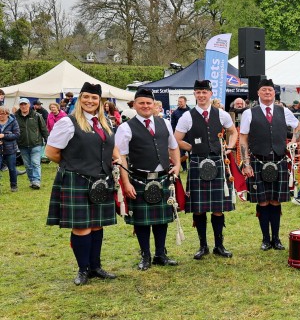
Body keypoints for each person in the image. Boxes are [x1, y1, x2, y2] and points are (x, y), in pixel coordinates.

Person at [45, 82, 121, 285]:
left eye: (94, 98)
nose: (90, 101)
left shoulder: (104, 123)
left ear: (100, 101)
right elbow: (51, 152)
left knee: (97, 225)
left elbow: (111, 148)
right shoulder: (68, 122)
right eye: (86, 97)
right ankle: (83, 269)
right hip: (76, 179)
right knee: (81, 228)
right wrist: (73, 165)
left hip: (101, 181)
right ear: (80, 99)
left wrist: (118, 161)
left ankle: (96, 267)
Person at [114, 88, 181, 270]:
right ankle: (145, 256)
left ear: (154, 105)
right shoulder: (125, 128)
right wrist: (126, 183)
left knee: (162, 219)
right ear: (134, 105)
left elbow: (173, 146)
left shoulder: (164, 123)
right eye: (141, 103)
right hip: (139, 178)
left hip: (162, 177)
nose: (145, 106)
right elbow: (121, 158)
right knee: (141, 221)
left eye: (148, 103)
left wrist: (177, 165)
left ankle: (161, 254)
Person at [174, 80, 238, 260]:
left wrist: (230, 148)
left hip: (218, 161)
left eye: (205, 92)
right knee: (199, 209)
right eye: (198, 92)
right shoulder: (187, 116)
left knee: (218, 208)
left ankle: (219, 245)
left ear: (210, 94)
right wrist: (191, 148)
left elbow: (233, 132)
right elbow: (176, 138)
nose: (201, 95)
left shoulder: (222, 114)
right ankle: (203, 246)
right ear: (194, 95)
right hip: (197, 163)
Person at [239, 79, 300, 251]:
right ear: (258, 93)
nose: (267, 93)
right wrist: (246, 163)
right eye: (264, 90)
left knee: (275, 201)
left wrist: (293, 141)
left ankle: (276, 238)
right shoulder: (249, 113)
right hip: (258, 161)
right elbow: (243, 138)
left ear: (274, 93)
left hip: (279, 160)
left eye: (270, 90)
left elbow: (298, 127)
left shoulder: (283, 111)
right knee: (263, 201)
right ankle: (265, 239)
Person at [15, 98, 49, 190]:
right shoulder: (15, 117)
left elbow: (44, 129)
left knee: (35, 163)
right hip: (22, 145)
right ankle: (31, 181)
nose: (23, 106)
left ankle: (36, 181)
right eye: (21, 104)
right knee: (27, 165)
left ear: (29, 105)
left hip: (36, 144)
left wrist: (48, 141)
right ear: (19, 106)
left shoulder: (37, 115)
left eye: (25, 104)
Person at [0, 106, 20, 192]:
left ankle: (14, 185)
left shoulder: (13, 122)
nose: (0, 115)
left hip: (10, 149)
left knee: (12, 168)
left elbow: (17, 135)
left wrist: (4, 136)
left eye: (2, 114)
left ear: (7, 114)